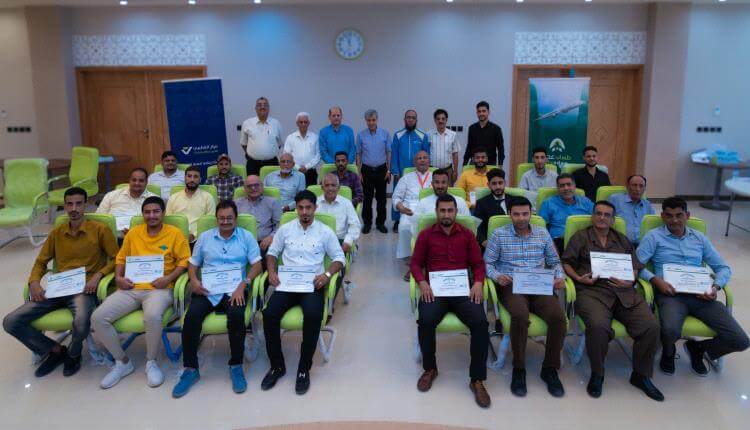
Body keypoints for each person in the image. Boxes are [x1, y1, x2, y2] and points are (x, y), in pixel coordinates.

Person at [3, 187, 118, 378]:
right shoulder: (57, 233)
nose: (74, 208)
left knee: (81, 322)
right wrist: (34, 282)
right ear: (64, 206)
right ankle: (55, 350)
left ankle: (73, 354)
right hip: (57, 288)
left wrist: (98, 275)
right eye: (69, 204)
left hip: (83, 289)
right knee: (11, 322)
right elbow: (41, 262)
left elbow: (116, 259)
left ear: (85, 205)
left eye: (78, 204)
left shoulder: (100, 230)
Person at [562, 201, 663, 401]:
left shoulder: (622, 240)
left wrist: (630, 280)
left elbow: (635, 266)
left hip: (624, 291)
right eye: (598, 213)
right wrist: (578, 278)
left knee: (651, 326)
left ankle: (641, 375)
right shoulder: (581, 237)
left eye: (607, 215)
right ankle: (597, 373)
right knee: (598, 327)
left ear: (613, 220)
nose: (602, 217)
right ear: (592, 216)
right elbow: (566, 263)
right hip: (592, 291)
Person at [636, 197, 749, 377]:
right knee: (670, 330)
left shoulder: (699, 238)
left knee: (741, 340)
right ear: (663, 216)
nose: (674, 220)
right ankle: (669, 351)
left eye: (679, 215)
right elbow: (636, 265)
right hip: (670, 295)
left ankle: (698, 348)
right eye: (669, 215)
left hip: (701, 296)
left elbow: (723, 268)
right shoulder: (653, 237)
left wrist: (715, 287)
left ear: (687, 215)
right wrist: (656, 280)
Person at [91, 196, 190, 389]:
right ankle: (122, 362)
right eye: (147, 212)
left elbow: (185, 261)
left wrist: (168, 278)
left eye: (156, 211)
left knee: (152, 316)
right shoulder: (134, 233)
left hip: (160, 289)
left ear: (163, 213)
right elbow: (121, 258)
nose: (151, 215)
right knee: (98, 318)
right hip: (131, 287)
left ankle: (151, 361)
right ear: (142, 214)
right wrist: (118, 278)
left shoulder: (174, 233)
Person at [171, 200, 263, 398]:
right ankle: (190, 369)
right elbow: (193, 264)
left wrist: (244, 284)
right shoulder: (205, 237)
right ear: (216, 219)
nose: (225, 221)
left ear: (236, 218)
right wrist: (194, 281)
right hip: (208, 289)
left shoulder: (246, 237)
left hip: (235, 289)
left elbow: (257, 265)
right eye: (221, 218)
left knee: (236, 316)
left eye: (229, 218)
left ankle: (236, 365)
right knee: (191, 318)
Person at [261, 190, 346, 395]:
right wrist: (271, 272)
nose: (305, 212)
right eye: (301, 208)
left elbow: (339, 258)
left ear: (315, 208)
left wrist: (327, 275)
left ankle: (303, 368)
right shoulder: (286, 229)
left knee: (313, 316)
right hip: (287, 284)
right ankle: (277, 366)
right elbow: (272, 253)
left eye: (308, 207)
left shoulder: (325, 231)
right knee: (269, 314)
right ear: (296, 209)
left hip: (311, 285)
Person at [410, 194, 490, 408]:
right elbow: (415, 264)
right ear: (437, 212)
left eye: (450, 210)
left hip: (462, 291)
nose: (446, 214)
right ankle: (430, 369)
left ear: (456, 212)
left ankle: (477, 379)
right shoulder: (426, 235)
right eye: (442, 210)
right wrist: (422, 283)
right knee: (425, 321)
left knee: (481, 324)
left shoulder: (467, 235)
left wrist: (478, 283)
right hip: (434, 291)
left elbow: (478, 264)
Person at [484, 197, 567, 398]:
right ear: (509, 214)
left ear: (531, 213)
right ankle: (519, 369)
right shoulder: (499, 234)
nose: (521, 218)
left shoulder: (542, 233)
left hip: (539, 284)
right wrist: (497, 276)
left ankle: (550, 369)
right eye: (516, 214)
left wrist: (559, 276)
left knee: (558, 318)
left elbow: (554, 261)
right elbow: (487, 263)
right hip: (512, 284)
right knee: (520, 316)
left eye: (525, 214)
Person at [392, 151, 433, 272]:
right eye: (419, 158)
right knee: (404, 227)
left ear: (429, 161)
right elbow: (396, 197)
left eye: (425, 158)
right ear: (415, 162)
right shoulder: (406, 178)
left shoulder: (435, 176)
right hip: (410, 210)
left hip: (431, 208)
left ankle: (431, 257)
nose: (422, 160)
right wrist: (401, 208)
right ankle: (410, 258)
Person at [391, 109, 430, 232]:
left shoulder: (423, 135)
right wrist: (395, 171)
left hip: (418, 171)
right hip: (401, 172)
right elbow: (394, 155)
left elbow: (426, 154)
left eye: (413, 118)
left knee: (415, 195)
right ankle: (397, 220)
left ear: (416, 120)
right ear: (404, 119)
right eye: (408, 117)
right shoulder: (398, 135)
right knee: (398, 195)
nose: (410, 119)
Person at [538, 173, 594, 254]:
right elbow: (542, 228)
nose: (566, 188)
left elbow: (597, 219)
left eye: (569, 184)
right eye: (562, 186)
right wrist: (550, 244)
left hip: (584, 241)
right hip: (559, 242)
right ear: (558, 188)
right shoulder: (548, 203)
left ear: (574, 186)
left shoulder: (586, 202)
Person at [356, 109, 391, 234]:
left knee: (382, 199)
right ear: (365, 121)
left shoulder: (385, 134)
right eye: (369, 120)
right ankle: (367, 223)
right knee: (367, 199)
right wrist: (359, 173)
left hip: (382, 170)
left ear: (377, 120)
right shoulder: (361, 135)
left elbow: (388, 152)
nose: (371, 122)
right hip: (367, 170)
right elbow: (358, 154)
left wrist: (389, 170)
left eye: (373, 120)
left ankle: (380, 223)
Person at [410, 168, 470, 238]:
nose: (440, 186)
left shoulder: (460, 201)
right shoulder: (423, 203)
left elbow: (468, 225)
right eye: (437, 182)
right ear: (432, 184)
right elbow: (414, 228)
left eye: (443, 182)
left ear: (448, 184)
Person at [97, 167, 157, 236]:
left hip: (140, 237)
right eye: (134, 180)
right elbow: (99, 217)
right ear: (129, 181)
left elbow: (156, 223)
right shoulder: (111, 195)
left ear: (146, 182)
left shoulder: (154, 199)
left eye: (141, 181)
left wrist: (135, 232)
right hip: (110, 236)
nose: (137, 183)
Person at [166, 165, 216, 242]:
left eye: (195, 177)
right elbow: (168, 221)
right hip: (177, 239)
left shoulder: (208, 197)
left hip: (201, 240)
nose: (192, 180)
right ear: (184, 178)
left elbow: (210, 223)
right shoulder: (173, 198)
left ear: (200, 180)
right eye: (189, 176)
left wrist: (194, 235)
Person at [235, 175, 282, 255]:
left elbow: (280, 225)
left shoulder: (272, 202)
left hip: (264, 244)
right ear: (245, 189)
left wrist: (271, 237)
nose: (253, 188)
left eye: (256, 185)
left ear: (262, 186)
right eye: (249, 186)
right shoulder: (236, 204)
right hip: (241, 243)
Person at [317, 174, 361, 253]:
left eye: (333, 185)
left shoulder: (346, 203)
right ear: (322, 188)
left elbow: (355, 225)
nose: (330, 188)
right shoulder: (314, 203)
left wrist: (348, 242)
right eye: (327, 185)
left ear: (338, 187)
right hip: (319, 241)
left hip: (340, 240)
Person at [240, 96, 283, 176]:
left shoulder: (276, 123)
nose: (262, 107)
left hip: (272, 163)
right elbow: (243, 144)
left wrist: (268, 152)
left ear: (269, 108)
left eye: (265, 105)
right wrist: (254, 154)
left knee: (272, 184)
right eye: (259, 105)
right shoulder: (247, 123)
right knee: (253, 184)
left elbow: (279, 144)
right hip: (253, 164)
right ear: (255, 108)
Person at [608, 174, 655, 246]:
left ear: (644, 189)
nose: (638, 189)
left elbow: (653, 227)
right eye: (634, 185)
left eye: (641, 186)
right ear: (627, 186)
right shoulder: (615, 199)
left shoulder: (647, 205)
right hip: (619, 243)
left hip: (642, 245)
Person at [283, 112, 320, 186]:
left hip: (311, 173)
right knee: (295, 192)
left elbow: (318, 155)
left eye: (305, 122)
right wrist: (297, 167)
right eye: (301, 122)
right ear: (297, 123)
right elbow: (286, 155)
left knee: (310, 192)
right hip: (294, 172)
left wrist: (307, 167)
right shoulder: (290, 138)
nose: (303, 124)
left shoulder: (315, 137)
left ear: (308, 123)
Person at [474, 168, 508, 249]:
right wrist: (484, 242)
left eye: (500, 183)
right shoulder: (481, 203)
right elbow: (477, 227)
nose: (498, 187)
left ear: (505, 183)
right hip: (490, 244)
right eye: (494, 184)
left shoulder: (515, 200)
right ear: (488, 185)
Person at [463, 101, 504, 167]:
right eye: (479, 111)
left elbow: (500, 149)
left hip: (490, 163)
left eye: (484, 111)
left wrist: (500, 165)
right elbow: (469, 148)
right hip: (474, 163)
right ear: (477, 113)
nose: (481, 113)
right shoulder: (472, 128)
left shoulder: (496, 129)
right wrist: (464, 164)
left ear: (488, 112)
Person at [428, 109, 460, 184]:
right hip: (432, 171)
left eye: (443, 119)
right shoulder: (428, 134)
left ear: (446, 120)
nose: (441, 121)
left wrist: (455, 171)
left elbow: (455, 154)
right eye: (438, 119)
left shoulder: (453, 135)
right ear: (435, 120)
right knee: (431, 189)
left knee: (448, 190)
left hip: (448, 170)